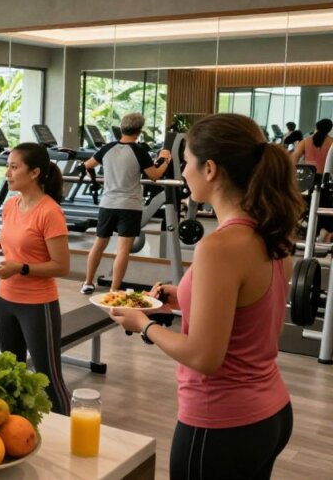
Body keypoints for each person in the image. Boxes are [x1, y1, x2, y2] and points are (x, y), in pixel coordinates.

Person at [110, 114, 298, 480]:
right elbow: (251, 316)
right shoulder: (272, 233)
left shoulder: (219, 247)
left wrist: (144, 324)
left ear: (209, 169)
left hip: (221, 424)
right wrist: (183, 297)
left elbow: (204, 357)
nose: (183, 173)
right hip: (270, 413)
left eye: (188, 162)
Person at [0, 143, 71, 415]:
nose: (7, 172)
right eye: (8, 166)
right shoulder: (11, 204)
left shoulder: (50, 212)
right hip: (5, 300)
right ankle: (16, 432)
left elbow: (61, 266)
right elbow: (16, 240)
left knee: (49, 380)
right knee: (10, 375)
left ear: (34, 173)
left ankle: (65, 435)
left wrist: (22, 268)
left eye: (14, 167)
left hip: (37, 305)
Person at [81, 113, 172, 294]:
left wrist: (99, 182)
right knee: (122, 250)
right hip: (129, 206)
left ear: (122, 128)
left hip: (108, 203)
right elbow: (154, 176)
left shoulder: (107, 148)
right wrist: (165, 160)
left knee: (99, 244)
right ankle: (114, 290)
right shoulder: (139, 151)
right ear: (139, 131)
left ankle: (87, 282)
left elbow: (88, 165)